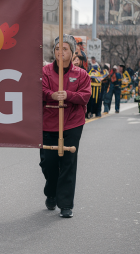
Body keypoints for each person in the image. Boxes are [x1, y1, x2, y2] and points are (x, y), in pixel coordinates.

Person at [40, 35, 91, 218]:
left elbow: (85, 96)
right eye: (57, 49)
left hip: (72, 122)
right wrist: (51, 95)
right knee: (49, 163)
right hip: (48, 121)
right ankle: (51, 192)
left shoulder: (81, 74)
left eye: (65, 49)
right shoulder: (45, 71)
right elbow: (40, 90)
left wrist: (68, 95)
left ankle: (66, 204)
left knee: (68, 162)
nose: (60, 52)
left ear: (72, 52)